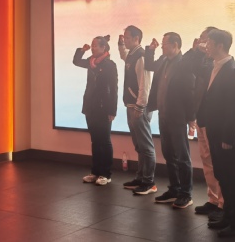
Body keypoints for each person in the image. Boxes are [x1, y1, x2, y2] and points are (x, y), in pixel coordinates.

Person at [196, 29, 235, 238]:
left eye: (209, 43)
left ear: (220, 45)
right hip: (214, 130)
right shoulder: (214, 65)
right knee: (222, 176)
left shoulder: (232, 70)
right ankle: (227, 216)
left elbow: (234, 107)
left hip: (226, 134)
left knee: (233, 180)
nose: (205, 46)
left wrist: (228, 137)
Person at [145, 32, 196, 209]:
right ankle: (174, 189)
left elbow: (190, 92)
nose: (162, 46)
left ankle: (186, 193)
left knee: (182, 157)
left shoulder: (184, 64)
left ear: (175, 45)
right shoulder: (163, 61)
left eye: (165, 44)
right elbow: (148, 65)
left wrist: (191, 118)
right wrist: (150, 50)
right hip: (164, 114)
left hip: (178, 116)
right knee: (168, 154)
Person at [185, 26, 225, 217]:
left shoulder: (218, 64)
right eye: (201, 39)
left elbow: (202, 71)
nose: (203, 43)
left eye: (205, 40)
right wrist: (195, 51)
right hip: (201, 117)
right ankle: (213, 199)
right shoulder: (205, 60)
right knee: (207, 162)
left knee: (217, 163)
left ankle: (223, 203)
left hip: (213, 120)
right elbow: (188, 67)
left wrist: (200, 54)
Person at [73, 35, 118, 186]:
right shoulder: (90, 62)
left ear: (103, 48)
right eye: (92, 45)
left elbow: (114, 88)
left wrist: (112, 110)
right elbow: (76, 61)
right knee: (95, 140)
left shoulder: (110, 65)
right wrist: (82, 50)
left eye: (95, 46)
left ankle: (106, 173)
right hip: (90, 106)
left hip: (104, 108)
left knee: (104, 140)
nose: (92, 48)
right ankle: (95, 172)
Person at [118, 25, 157, 195]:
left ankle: (149, 182)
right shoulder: (132, 55)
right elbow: (124, 56)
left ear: (136, 39)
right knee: (139, 145)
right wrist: (120, 44)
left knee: (146, 145)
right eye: (124, 37)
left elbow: (145, 84)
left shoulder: (141, 56)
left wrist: (140, 106)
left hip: (139, 107)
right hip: (131, 105)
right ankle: (140, 178)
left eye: (127, 38)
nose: (125, 40)